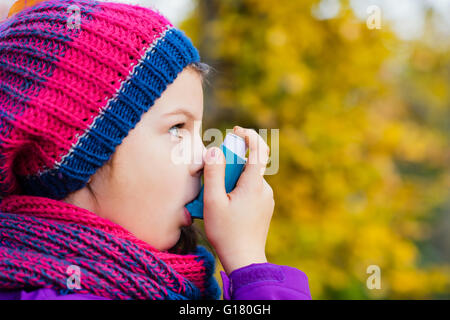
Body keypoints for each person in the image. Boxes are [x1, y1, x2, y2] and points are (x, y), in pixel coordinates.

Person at [0, 0, 311, 300]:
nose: (203, 159)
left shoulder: (158, 280)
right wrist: (249, 261)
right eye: (177, 128)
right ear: (76, 159)